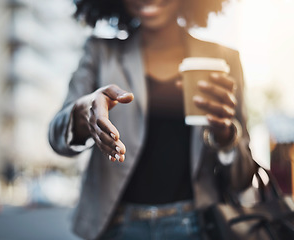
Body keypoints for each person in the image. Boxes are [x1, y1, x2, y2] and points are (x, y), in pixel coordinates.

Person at [48, 0, 257, 239]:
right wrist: (83, 113)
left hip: (197, 226)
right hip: (117, 226)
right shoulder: (101, 52)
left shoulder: (224, 60)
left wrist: (225, 135)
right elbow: (56, 137)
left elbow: (243, 178)